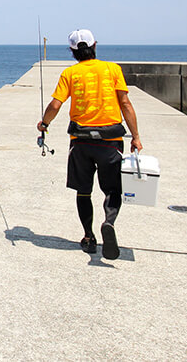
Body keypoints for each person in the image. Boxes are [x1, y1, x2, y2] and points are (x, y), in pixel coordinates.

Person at [36, 29, 142, 260]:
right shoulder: (113, 69)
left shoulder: (70, 73)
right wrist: (135, 136)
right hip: (110, 141)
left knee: (83, 191)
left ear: (73, 51)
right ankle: (109, 222)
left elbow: (55, 105)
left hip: (81, 142)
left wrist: (44, 124)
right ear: (95, 45)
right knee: (112, 189)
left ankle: (88, 237)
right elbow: (125, 103)